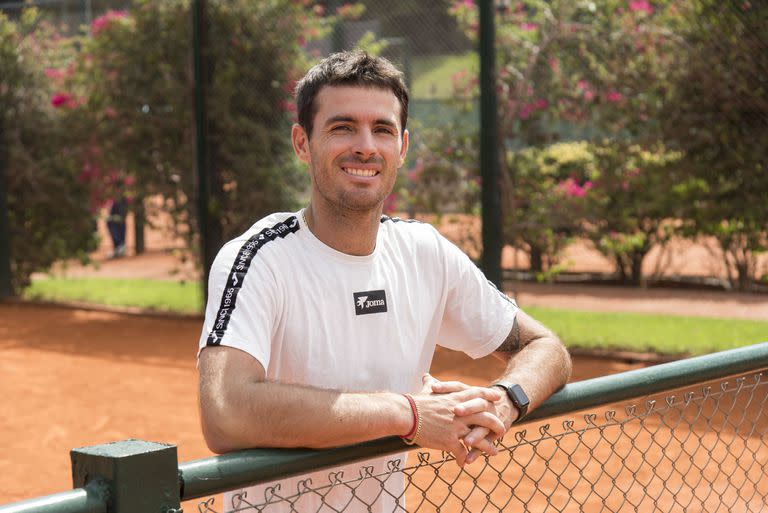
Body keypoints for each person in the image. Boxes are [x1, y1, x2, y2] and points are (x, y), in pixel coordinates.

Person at [197, 50, 572, 512]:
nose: (365, 146)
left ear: (403, 146)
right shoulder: (258, 257)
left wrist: (506, 398)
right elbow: (225, 412)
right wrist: (408, 413)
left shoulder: (424, 252)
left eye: (382, 130)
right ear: (301, 142)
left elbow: (545, 348)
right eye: (342, 127)